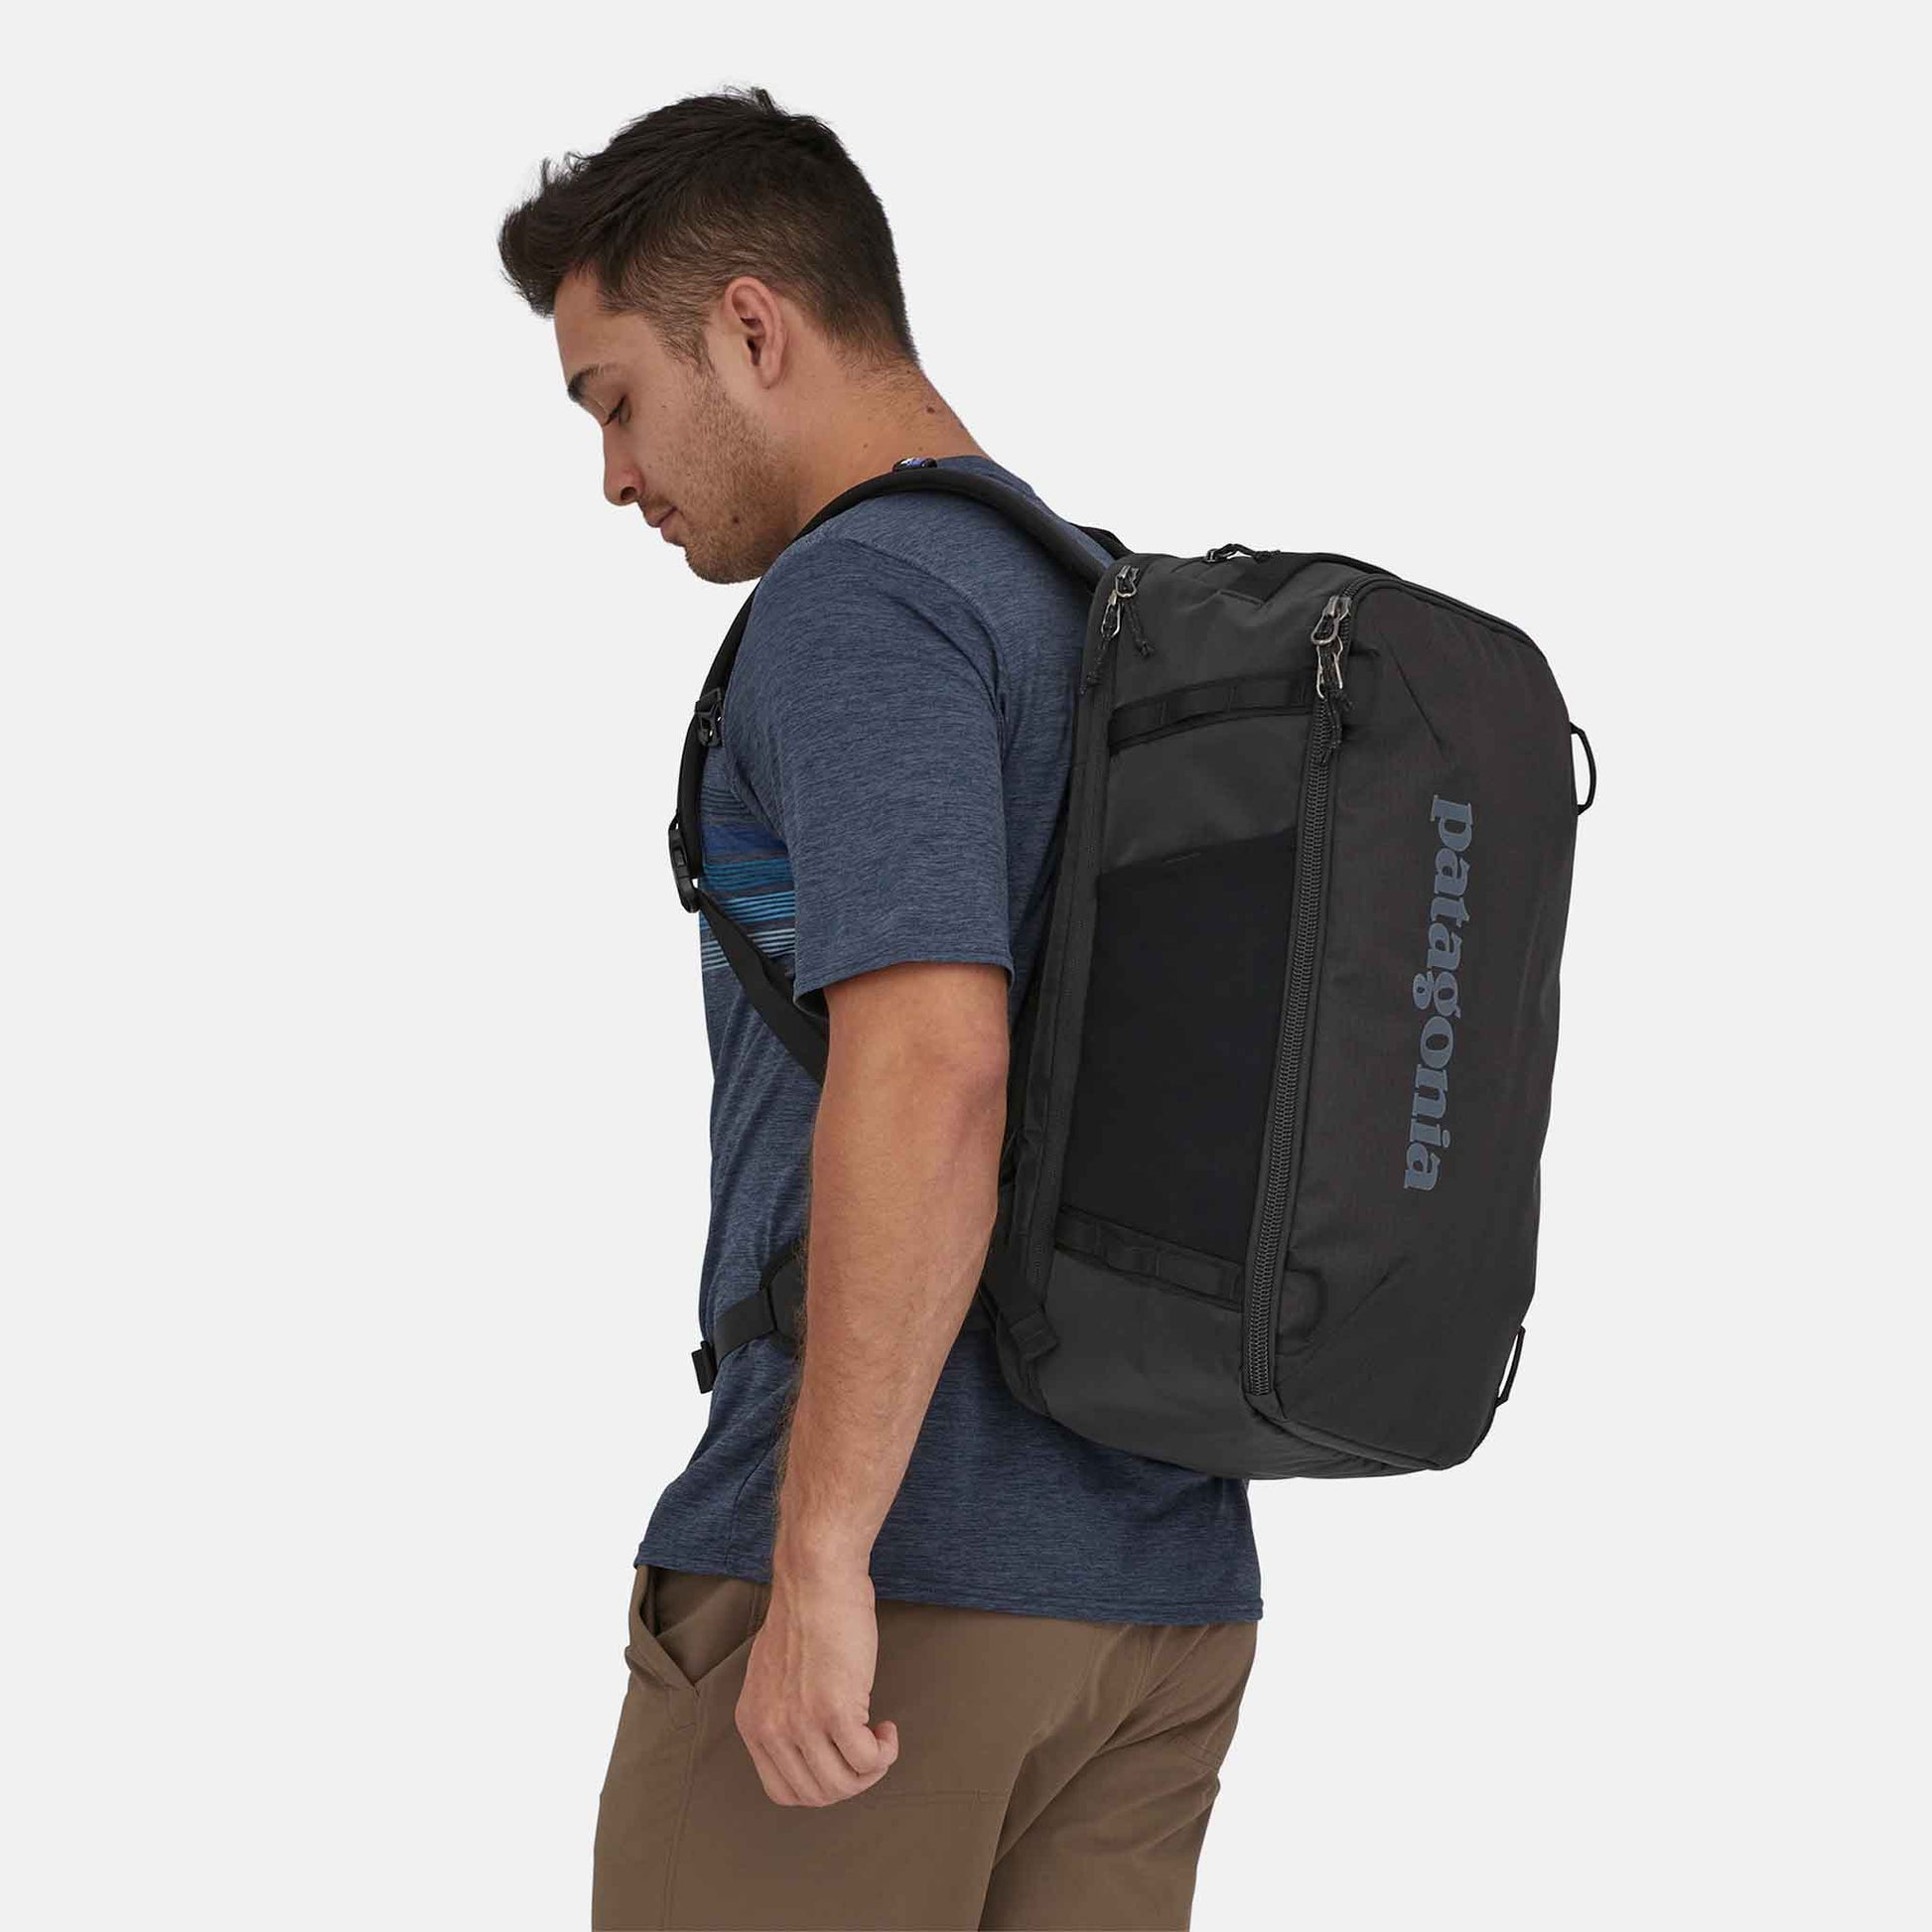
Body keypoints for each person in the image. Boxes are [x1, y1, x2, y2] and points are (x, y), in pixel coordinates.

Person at [498, 84, 1262, 1932]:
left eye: (614, 399)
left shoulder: (866, 602)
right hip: (1157, 1601)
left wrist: (822, 1553)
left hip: (906, 1594)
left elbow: (930, 1064)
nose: (613, 474)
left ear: (752, 327)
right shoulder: (1095, 610)